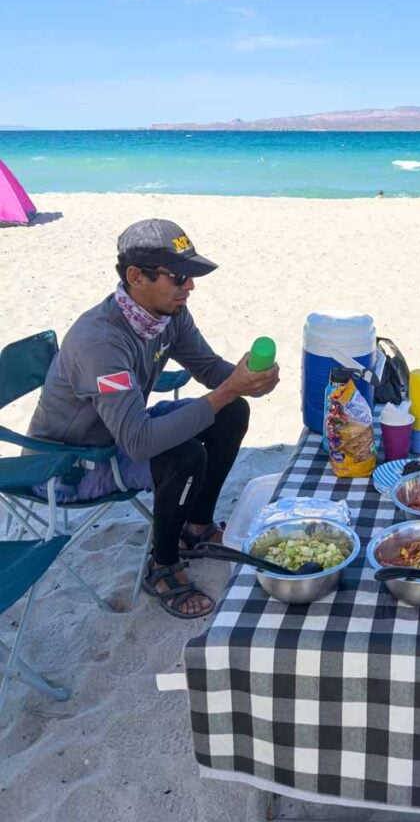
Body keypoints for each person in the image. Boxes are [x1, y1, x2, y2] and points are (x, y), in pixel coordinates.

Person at [27, 219, 280, 619]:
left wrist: (249, 380)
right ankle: (161, 566)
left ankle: (195, 528)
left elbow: (210, 368)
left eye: (192, 277)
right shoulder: (100, 341)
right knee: (183, 455)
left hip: (122, 431)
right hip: (69, 463)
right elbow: (140, 443)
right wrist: (229, 388)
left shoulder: (167, 314)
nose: (189, 287)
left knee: (232, 411)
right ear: (135, 277)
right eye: (179, 277)